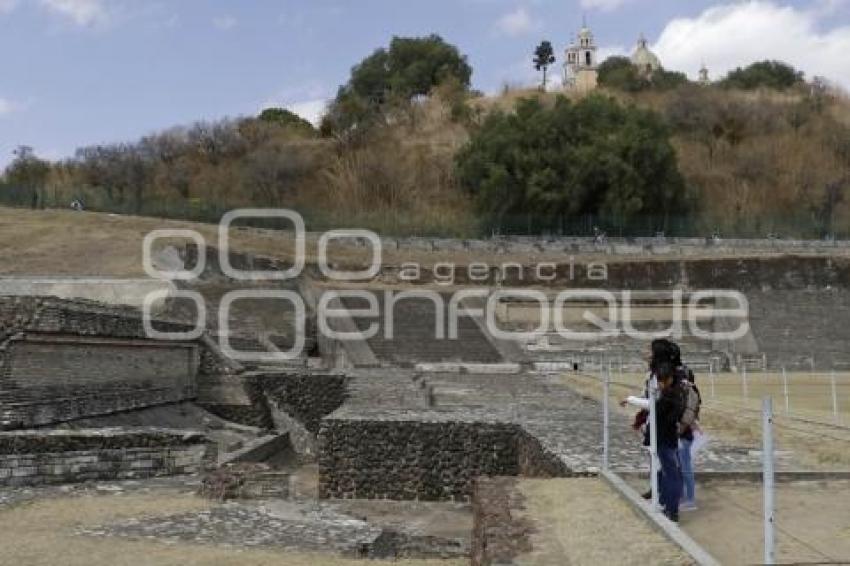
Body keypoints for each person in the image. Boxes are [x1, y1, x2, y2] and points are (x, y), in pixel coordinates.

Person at [623, 339, 685, 522]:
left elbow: (656, 404)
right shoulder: (658, 372)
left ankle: (671, 509)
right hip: (659, 425)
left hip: (663, 427)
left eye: (649, 349)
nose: (646, 351)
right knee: (662, 468)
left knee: (668, 469)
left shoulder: (663, 373)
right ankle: (664, 502)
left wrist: (630, 399)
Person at [677, 367, 702, 511]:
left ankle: (690, 499)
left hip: (684, 434)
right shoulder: (685, 391)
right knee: (680, 467)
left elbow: (689, 414)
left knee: (685, 468)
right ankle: (682, 496)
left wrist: (681, 429)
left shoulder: (690, 392)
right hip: (682, 433)